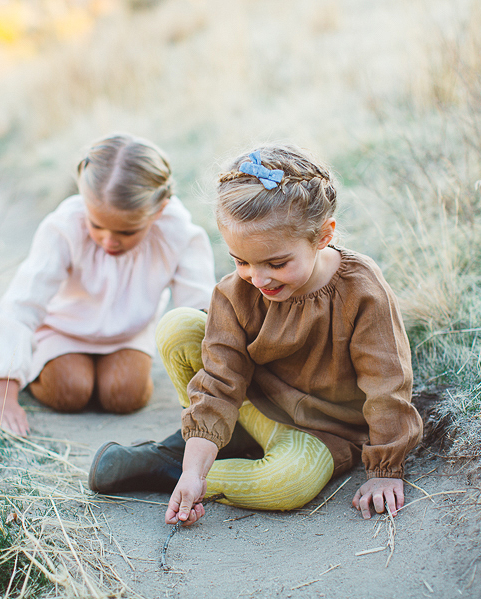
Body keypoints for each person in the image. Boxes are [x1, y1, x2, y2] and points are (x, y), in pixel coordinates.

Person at [88, 144, 422, 522]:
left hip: (322, 432)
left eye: (276, 263)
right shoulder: (237, 293)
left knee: (288, 482)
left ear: (323, 236)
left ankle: (169, 469)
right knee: (180, 326)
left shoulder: (360, 290)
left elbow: (387, 382)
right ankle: (202, 457)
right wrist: (198, 460)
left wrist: (385, 469)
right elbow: (218, 381)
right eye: (241, 260)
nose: (258, 278)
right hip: (251, 406)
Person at [0, 133, 216, 436]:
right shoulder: (64, 226)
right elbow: (21, 304)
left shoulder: (179, 233)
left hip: (127, 334)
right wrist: (4, 392)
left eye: (127, 231)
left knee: (124, 395)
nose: (109, 240)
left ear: (158, 211)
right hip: (62, 329)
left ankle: (105, 374)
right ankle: (37, 366)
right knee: (70, 390)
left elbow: (199, 312)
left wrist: (215, 392)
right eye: (96, 225)